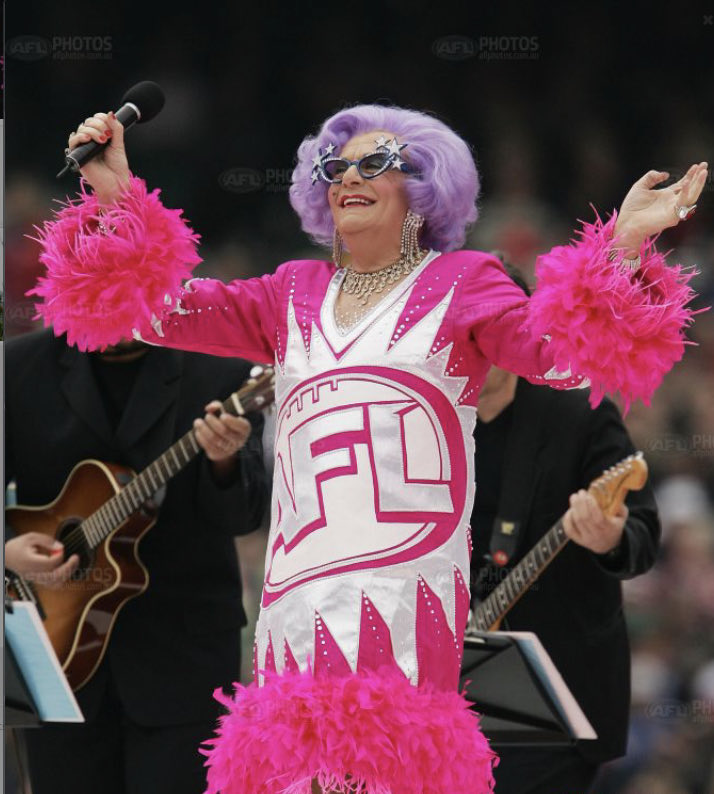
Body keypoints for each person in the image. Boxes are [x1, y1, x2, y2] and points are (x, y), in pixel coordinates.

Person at [28, 103, 706, 794]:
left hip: (405, 608)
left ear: (426, 189)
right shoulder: (291, 291)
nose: (348, 176)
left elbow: (560, 360)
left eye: (376, 163)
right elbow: (156, 310)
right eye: (334, 165)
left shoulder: (463, 281)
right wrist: (114, 191)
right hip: (294, 612)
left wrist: (621, 244)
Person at [4, 330, 268, 794]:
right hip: (54, 653)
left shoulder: (220, 365)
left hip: (182, 658)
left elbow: (243, 517)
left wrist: (224, 463)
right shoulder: (18, 366)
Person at [468, 265, 660, 794]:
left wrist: (610, 538)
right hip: (445, 682)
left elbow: (643, 530)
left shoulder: (578, 413)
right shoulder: (422, 423)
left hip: (556, 689)